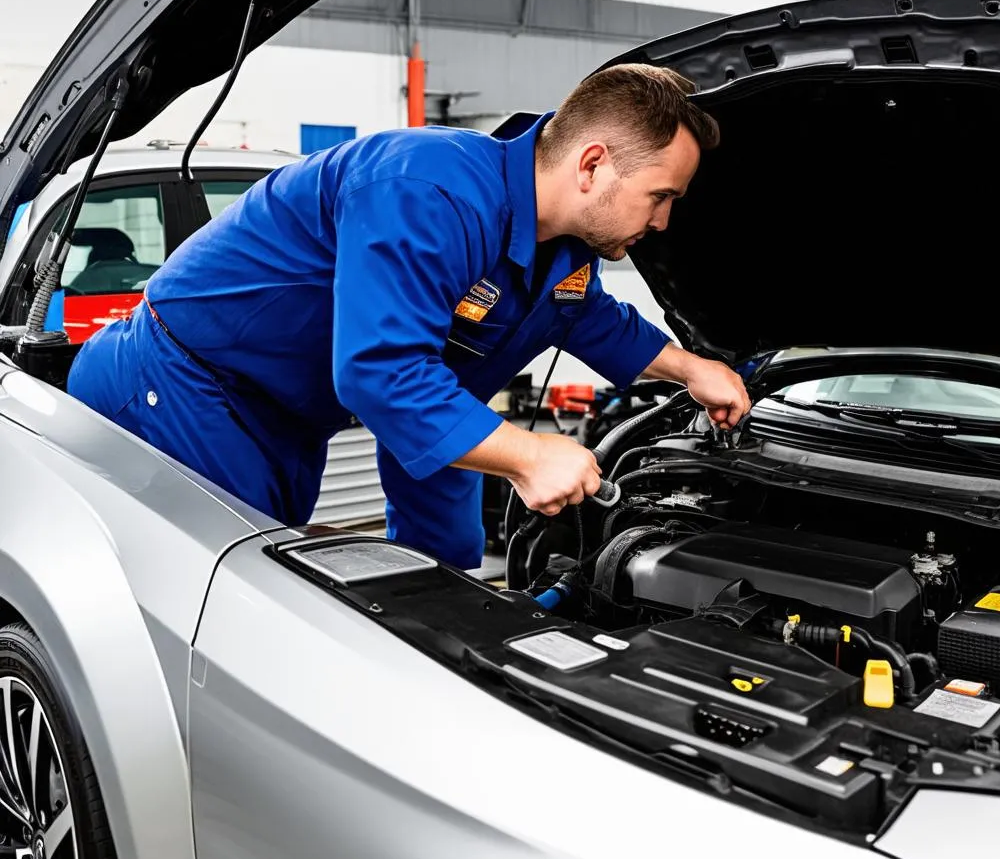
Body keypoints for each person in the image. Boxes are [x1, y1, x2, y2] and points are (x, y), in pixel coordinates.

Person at [66, 63, 750, 568]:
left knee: (442, 560)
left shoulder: (559, 248)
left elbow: (589, 318)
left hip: (279, 425)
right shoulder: (427, 190)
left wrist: (693, 369)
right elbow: (380, 372)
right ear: (592, 165)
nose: (662, 221)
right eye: (659, 196)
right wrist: (529, 453)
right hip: (175, 392)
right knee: (213, 620)